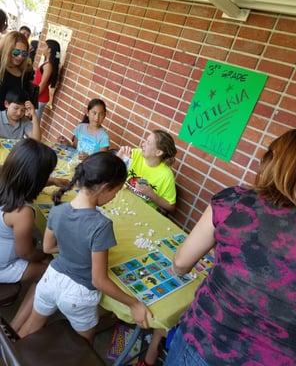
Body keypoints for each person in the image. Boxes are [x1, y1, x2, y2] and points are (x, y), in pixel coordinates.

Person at [165, 128, 296, 366]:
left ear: (272, 163)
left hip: (205, 342)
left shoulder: (236, 201)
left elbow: (181, 262)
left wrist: (177, 271)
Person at [19, 152, 153, 343]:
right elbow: (99, 280)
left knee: (30, 327)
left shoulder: (57, 210)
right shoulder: (101, 225)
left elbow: (48, 248)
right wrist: (134, 304)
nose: (114, 197)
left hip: (50, 280)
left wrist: (73, 246)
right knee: (83, 346)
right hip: (78, 294)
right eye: (115, 192)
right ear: (106, 188)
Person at [0, 138, 58, 331]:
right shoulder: (22, 212)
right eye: (46, 175)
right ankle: (13, 330)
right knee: (51, 272)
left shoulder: (3, 176)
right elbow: (26, 253)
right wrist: (45, 254)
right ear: (36, 179)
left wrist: (54, 181)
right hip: (3, 266)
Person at [117, 129, 177, 213]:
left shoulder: (166, 175)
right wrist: (118, 158)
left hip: (142, 212)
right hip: (120, 200)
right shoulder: (135, 154)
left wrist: (151, 194)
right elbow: (110, 175)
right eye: (145, 140)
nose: (142, 144)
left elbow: (171, 207)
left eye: (148, 143)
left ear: (158, 152)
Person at [0, 31, 31, 111]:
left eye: (24, 53)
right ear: (7, 49)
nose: (20, 57)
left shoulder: (24, 73)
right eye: (16, 52)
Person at [33, 39, 60, 119]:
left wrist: (33, 97)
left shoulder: (48, 65)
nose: (42, 48)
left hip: (40, 97)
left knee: (34, 123)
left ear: (49, 49)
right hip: (39, 96)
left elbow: (43, 83)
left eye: (45, 46)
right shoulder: (47, 63)